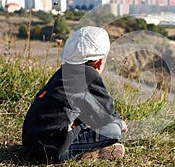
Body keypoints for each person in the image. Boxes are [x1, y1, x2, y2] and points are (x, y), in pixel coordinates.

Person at [22, 26, 128, 163]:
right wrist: (120, 123)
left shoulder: (63, 73)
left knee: (82, 120)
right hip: (51, 151)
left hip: (30, 144)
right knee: (114, 130)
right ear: (100, 61)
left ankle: (83, 149)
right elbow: (108, 116)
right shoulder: (88, 76)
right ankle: (87, 153)